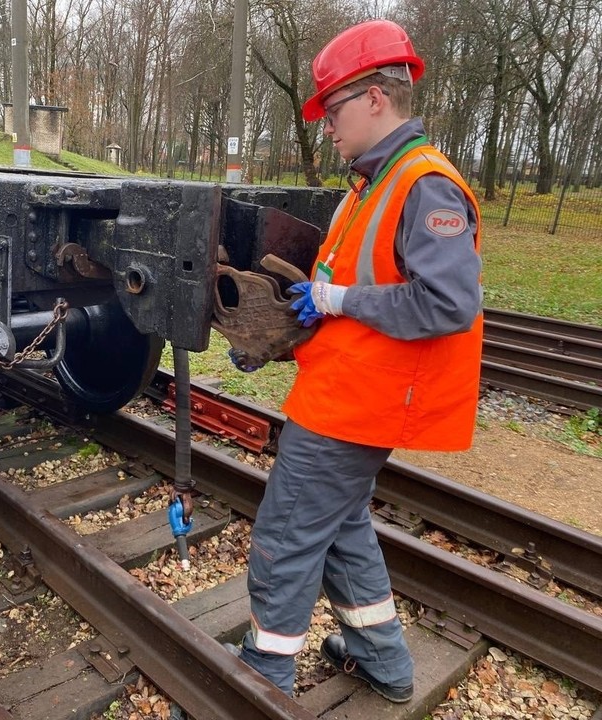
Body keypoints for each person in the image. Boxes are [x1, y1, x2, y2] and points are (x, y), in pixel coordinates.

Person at [226, 19, 483, 703]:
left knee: (286, 532)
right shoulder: (375, 182)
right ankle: (382, 660)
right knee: (340, 527)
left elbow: (448, 304)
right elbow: (351, 291)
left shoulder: (424, 185)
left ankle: (262, 679)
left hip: (357, 406)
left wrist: (338, 299)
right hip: (344, 391)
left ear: (375, 97)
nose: (327, 128)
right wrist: (293, 327)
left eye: (333, 110)